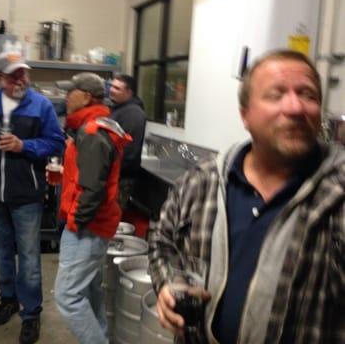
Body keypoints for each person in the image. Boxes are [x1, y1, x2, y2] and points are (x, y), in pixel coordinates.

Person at [148, 49, 345, 343]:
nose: (295, 107)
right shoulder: (201, 182)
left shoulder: (337, 196)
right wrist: (169, 282)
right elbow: (161, 241)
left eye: (308, 95)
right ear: (245, 116)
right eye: (276, 95)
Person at [0, 51, 65, 344]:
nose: (21, 79)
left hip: (27, 196)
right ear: (0, 79)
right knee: (2, 252)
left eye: (23, 73)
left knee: (30, 258)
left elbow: (56, 142)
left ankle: (31, 314)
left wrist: (24, 146)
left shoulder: (41, 105)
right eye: (13, 75)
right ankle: (8, 298)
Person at [53, 73, 131, 344]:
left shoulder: (92, 131)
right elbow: (89, 179)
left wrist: (75, 221)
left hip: (87, 227)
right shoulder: (91, 127)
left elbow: (94, 190)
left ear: (86, 96)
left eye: (70, 91)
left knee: (68, 296)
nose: (66, 96)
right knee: (89, 291)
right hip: (92, 224)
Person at [109, 74, 146, 210]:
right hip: (115, 175)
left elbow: (129, 150)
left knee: (112, 215)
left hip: (121, 178)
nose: (112, 90)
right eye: (112, 86)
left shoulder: (133, 113)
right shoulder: (119, 109)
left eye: (117, 88)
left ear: (129, 92)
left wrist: (110, 170)